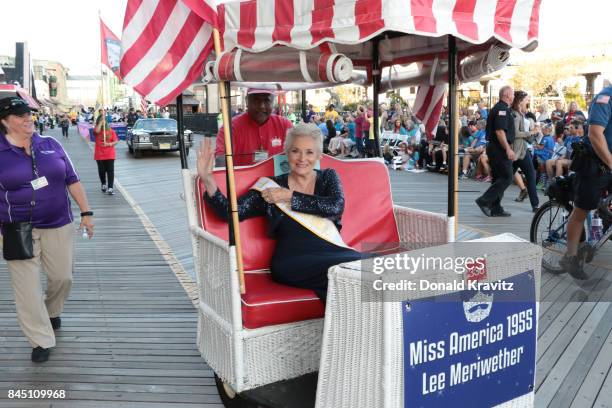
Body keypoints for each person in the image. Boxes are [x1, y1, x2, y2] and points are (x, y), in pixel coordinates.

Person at [198, 123, 366, 300]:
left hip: (333, 253)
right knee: (360, 270)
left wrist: (289, 197)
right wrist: (208, 180)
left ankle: (367, 326)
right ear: (287, 152)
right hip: (292, 261)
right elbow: (231, 213)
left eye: (309, 152)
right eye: (295, 151)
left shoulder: (328, 177)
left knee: (380, 267)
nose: (302, 158)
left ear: (319, 155)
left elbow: (335, 206)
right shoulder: (270, 187)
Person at [0, 97, 94, 363]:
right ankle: (40, 339)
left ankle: (52, 310)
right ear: (5, 121)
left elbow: (72, 179)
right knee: (27, 289)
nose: (28, 118)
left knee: (63, 277)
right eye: (20, 116)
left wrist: (86, 213)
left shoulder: (50, 144)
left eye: (29, 114)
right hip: (16, 229)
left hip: (58, 222)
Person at [560, 84, 612, 279]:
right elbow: (595, 134)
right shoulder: (605, 99)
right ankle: (570, 256)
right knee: (581, 210)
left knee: (603, 208)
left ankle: (596, 237)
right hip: (595, 164)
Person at [215, 89, 292, 166]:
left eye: (267, 100)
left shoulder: (284, 125)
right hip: (242, 177)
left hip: (279, 177)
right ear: (246, 101)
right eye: (256, 100)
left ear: (272, 102)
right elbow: (222, 163)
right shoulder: (230, 128)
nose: (262, 106)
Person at [475, 86, 516, 217]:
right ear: (507, 95)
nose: (514, 96)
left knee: (498, 177)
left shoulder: (501, 108)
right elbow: (499, 131)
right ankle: (484, 200)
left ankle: (495, 207)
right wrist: (508, 148)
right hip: (499, 148)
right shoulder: (502, 109)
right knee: (507, 177)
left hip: (496, 147)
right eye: (513, 94)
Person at [509, 90, 539, 212]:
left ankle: (535, 205)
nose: (528, 101)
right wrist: (531, 132)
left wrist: (532, 135)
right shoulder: (515, 115)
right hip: (517, 151)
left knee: (530, 175)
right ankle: (490, 200)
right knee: (505, 178)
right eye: (526, 99)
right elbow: (515, 133)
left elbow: (522, 134)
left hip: (521, 150)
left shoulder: (520, 114)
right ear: (520, 101)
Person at [93, 114, 119, 195]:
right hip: (99, 154)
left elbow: (116, 141)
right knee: (102, 170)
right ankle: (103, 184)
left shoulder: (110, 130)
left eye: (104, 119)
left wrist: (109, 144)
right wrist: (101, 123)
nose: (104, 121)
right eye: (101, 119)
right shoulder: (96, 130)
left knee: (110, 171)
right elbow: (96, 131)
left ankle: (110, 188)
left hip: (110, 154)